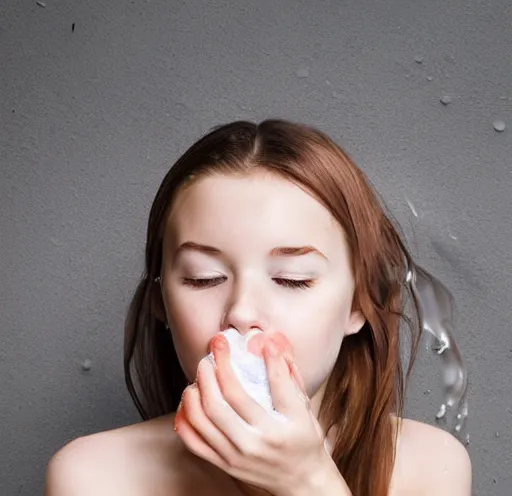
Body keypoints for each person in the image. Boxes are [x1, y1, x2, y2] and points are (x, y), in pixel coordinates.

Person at [44, 119, 472, 496]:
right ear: (162, 304)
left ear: (358, 305)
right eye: (203, 277)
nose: (243, 312)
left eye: (292, 279)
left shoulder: (432, 467)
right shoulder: (95, 477)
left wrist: (308, 483)